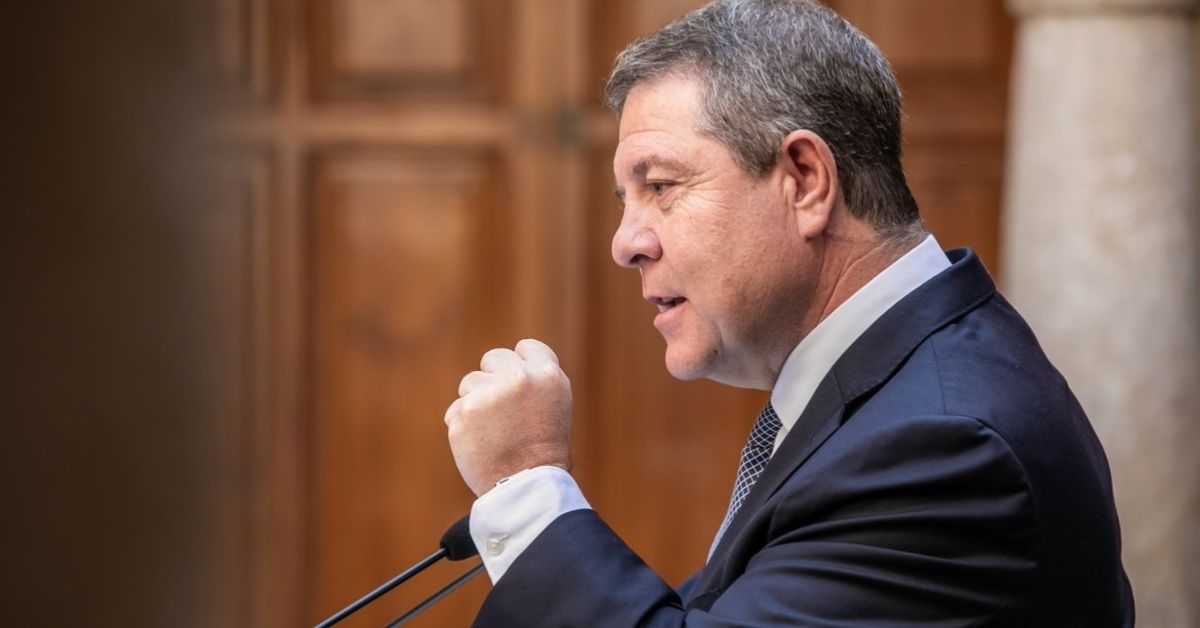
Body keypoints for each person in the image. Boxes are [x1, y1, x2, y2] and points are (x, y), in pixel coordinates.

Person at [442, 0, 1134, 625]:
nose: (626, 244)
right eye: (628, 200)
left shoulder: (944, 446)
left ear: (805, 180)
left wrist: (524, 483)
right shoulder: (899, 383)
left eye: (662, 186)